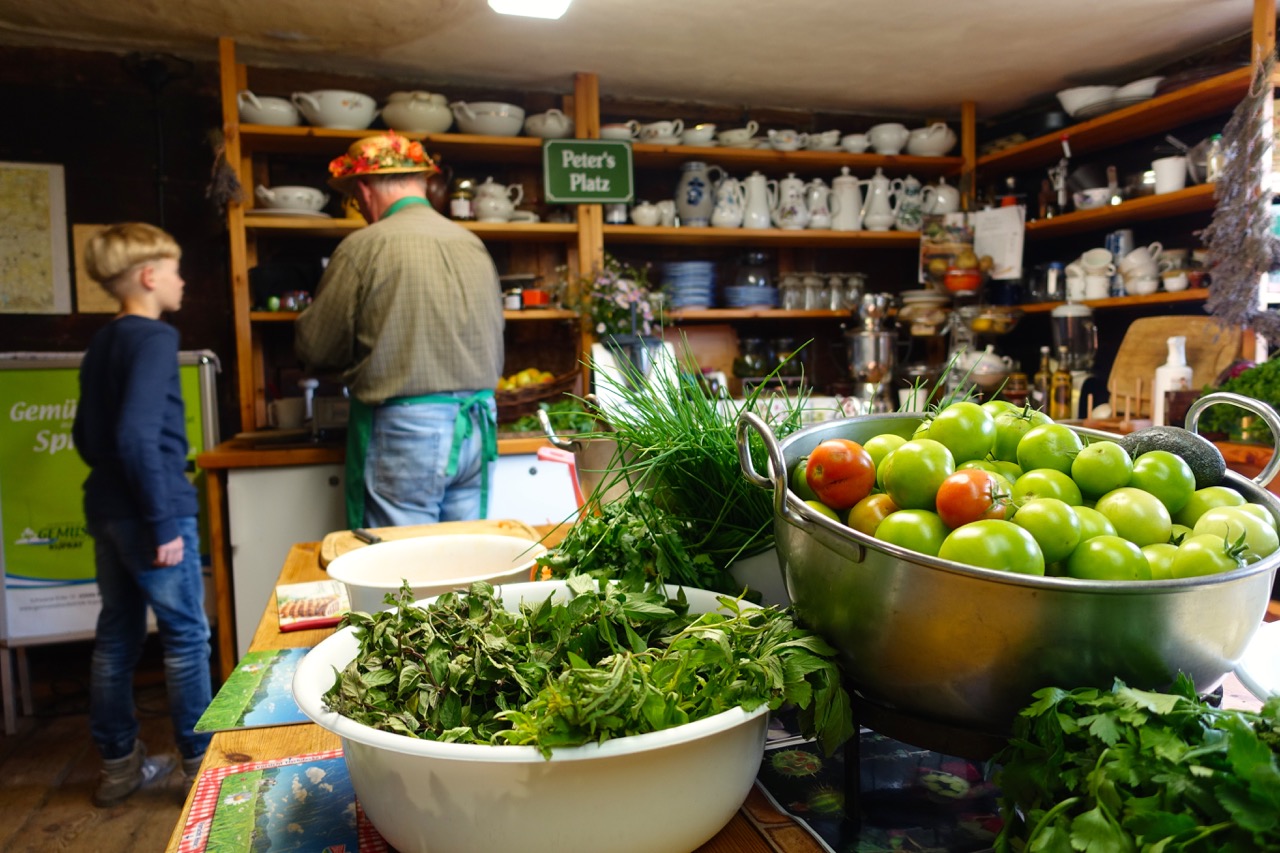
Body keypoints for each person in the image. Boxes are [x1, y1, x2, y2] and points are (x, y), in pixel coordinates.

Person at [296, 132, 505, 529]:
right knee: (467, 563)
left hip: (408, 432)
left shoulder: (365, 246)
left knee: (402, 574)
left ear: (363, 190)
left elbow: (317, 347)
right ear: (422, 182)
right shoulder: (472, 244)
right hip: (478, 423)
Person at [72, 222, 212, 806]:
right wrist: (160, 522)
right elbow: (135, 436)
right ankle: (202, 767)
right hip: (154, 513)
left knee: (117, 637)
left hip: (106, 506)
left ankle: (119, 767)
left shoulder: (103, 341)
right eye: (175, 270)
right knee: (185, 638)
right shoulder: (154, 339)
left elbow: (86, 436)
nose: (182, 281)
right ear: (150, 276)